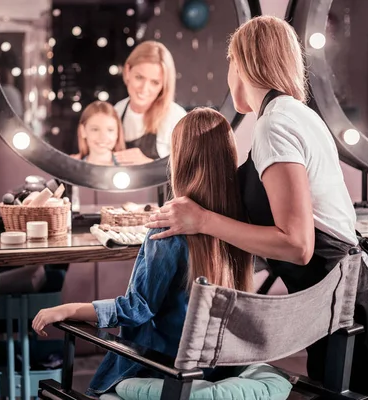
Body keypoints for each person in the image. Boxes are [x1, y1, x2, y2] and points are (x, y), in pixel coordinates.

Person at [146, 16, 368, 400]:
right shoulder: (292, 115)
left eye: (229, 63)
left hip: (358, 307)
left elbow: (298, 244)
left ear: (243, 62)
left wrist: (203, 220)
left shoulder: (276, 125)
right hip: (340, 300)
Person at [32, 108, 254, 397]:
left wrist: (68, 309)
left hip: (163, 369)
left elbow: (136, 309)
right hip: (219, 370)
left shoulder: (168, 229)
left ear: (180, 160)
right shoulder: (242, 227)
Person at [112, 40, 187, 165]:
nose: (144, 88)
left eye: (155, 82)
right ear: (127, 71)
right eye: (139, 77)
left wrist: (147, 165)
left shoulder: (176, 117)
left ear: (164, 85)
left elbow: (188, 171)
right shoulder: (117, 111)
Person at [71, 101, 126, 166]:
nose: (103, 137)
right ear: (83, 131)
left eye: (110, 130)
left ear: (117, 132)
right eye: (95, 129)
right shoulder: (72, 167)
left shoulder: (129, 168)